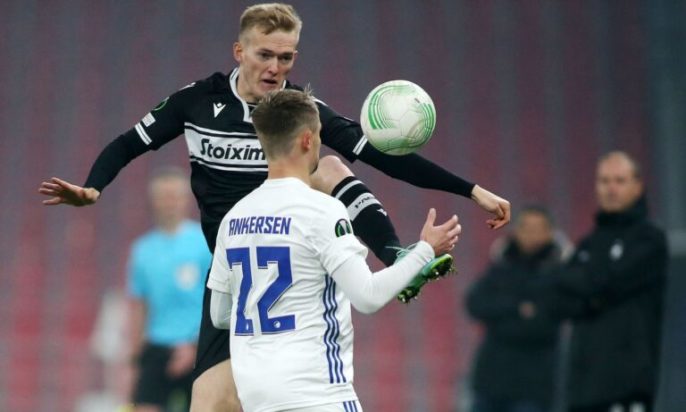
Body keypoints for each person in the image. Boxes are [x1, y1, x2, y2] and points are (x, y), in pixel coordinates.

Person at [38, 3, 510, 411]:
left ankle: (394, 253)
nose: (274, 68)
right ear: (239, 52)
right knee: (209, 403)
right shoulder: (197, 102)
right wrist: (93, 187)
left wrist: (470, 190)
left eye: (285, 58)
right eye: (264, 55)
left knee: (330, 166)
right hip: (234, 268)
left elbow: (380, 155)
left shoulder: (297, 112)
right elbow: (128, 143)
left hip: (288, 254)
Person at [208, 87, 460, 412]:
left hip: (259, 399)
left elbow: (220, 314)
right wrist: (425, 250)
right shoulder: (321, 210)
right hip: (319, 395)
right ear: (307, 139)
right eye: (319, 134)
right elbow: (367, 296)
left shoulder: (234, 219)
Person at [554, 151, 667, 412]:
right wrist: (593, 296)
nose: (611, 189)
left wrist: (585, 290)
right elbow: (559, 298)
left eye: (619, 180)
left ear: (638, 186)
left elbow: (606, 282)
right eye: (604, 181)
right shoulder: (588, 243)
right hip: (583, 386)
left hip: (628, 384)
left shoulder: (649, 239)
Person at [466, 206, 569, 412]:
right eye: (525, 227)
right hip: (490, 381)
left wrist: (499, 313)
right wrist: (517, 307)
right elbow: (474, 303)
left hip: (534, 388)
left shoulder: (561, 274)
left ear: (550, 233)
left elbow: (542, 325)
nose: (530, 234)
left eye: (536, 228)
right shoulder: (501, 265)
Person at [126, 168, 211, 412]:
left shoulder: (204, 242)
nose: (169, 203)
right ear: (154, 201)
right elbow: (139, 305)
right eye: (164, 196)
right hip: (157, 345)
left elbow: (215, 298)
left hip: (198, 347)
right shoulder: (142, 250)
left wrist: (194, 346)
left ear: (186, 200)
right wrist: (134, 358)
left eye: (175, 196)